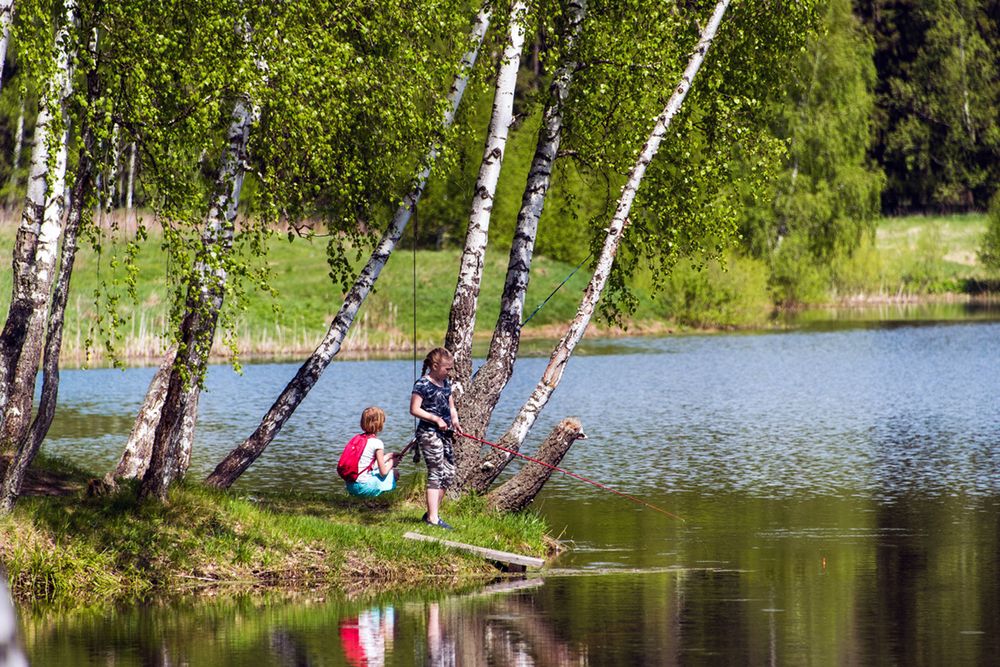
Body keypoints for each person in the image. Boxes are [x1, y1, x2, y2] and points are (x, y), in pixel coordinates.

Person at [409, 347, 461, 529]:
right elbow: (414, 409)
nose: (449, 372)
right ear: (435, 366)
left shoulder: (446, 383)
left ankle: (432, 514)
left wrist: (455, 421)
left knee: (449, 473)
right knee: (436, 472)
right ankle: (432, 519)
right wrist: (436, 419)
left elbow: (451, 406)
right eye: (447, 368)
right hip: (429, 433)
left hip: (445, 434)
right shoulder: (422, 384)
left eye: (451, 368)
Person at [344, 406, 399, 498]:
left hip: (350, 486)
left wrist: (388, 456)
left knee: (378, 470)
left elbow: (368, 463)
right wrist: (392, 463)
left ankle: (359, 496)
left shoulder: (358, 439)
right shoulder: (377, 443)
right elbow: (383, 472)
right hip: (363, 488)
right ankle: (377, 497)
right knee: (394, 473)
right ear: (379, 424)